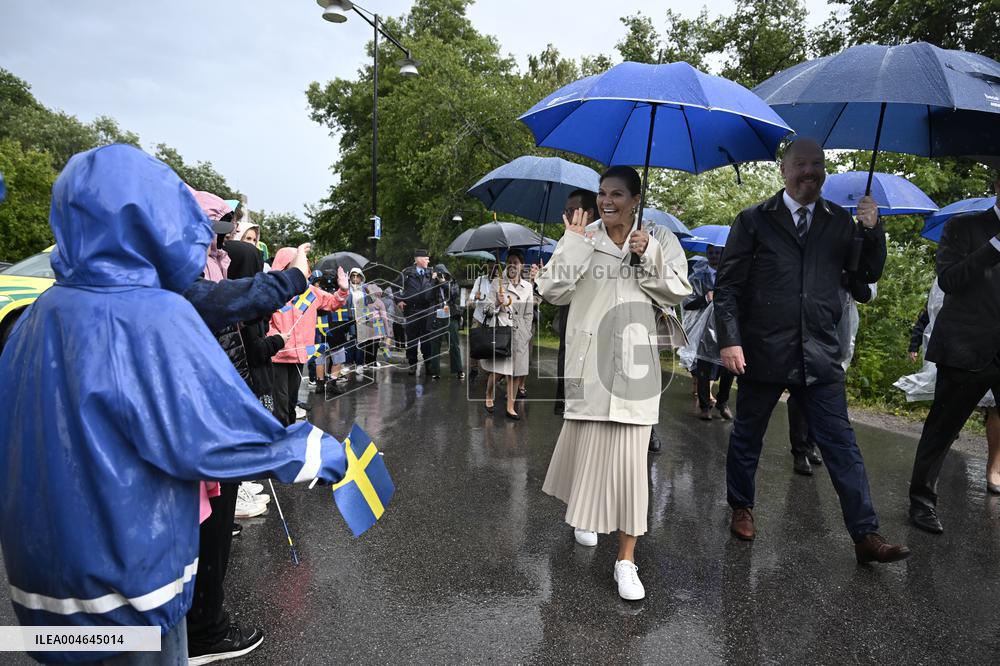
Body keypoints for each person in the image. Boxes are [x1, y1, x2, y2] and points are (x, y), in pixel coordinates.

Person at [0, 145, 348, 664]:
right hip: (129, 589)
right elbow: (215, 433)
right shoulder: (151, 315)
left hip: (40, 600)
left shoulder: (34, 317)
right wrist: (316, 453)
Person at [714, 137, 910, 564]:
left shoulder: (841, 223)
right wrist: (730, 340)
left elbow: (865, 277)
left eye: (817, 165)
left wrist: (873, 232)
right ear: (783, 171)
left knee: (842, 445)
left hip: (819, 352)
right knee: (748, 437)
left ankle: (865, 535)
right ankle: (742, 507)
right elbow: (727, 288)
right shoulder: (753, 221)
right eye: (800, 164)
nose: (809, 172)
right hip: (763, 351)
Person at [536, 165, 691, 601]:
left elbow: (679, 290)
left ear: (635, 200)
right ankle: (585, 515)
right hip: (588, 365)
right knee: (587, 455)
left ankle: (626, 560)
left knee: (630, 469)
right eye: (602, 193)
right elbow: (551, 290)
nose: (607, 201)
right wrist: (572, 243)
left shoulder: (659, 240)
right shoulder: (584, 240)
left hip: (635, 371)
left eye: (617, 194)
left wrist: (649, 257)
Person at [907, 171, 1000, 533]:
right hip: (966, 348)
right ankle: (922, 503)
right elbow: (949, 280)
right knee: (942, 430)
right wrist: (995, 247)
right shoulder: (964, 227)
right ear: (997, 184)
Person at [787, 275, 875, 476]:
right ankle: (799, 451)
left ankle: (810, 444)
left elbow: (866, 295)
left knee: (824, 390)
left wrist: (851, 274)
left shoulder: (860, 254)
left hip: (840, 329)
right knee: (802, 388)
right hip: (809, 322)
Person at [268, 248, 349, 426]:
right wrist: (275, 338)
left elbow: (332, 302)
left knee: (290, 402)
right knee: (279, 404)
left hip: (298, 354)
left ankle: (287, 437)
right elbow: (265, 320)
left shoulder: (310, 291)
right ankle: (279, 439)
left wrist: (342, 291)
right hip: (277, 354)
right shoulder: (273, 289)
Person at [680, 243, 734, 421]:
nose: (713, 255)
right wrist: (705, 298)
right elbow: (687, 302)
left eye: (717, 252)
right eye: (710, 252)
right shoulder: (697, 277)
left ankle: (723, 401)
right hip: (704, 330)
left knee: (729, 367)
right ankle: (705, 406)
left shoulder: (732, 274)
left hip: (726, 327)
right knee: (703, 367)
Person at [481, 250, 534, 419]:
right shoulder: (498, 284)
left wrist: (526, 333)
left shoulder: (527, 287)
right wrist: (497, 302)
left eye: (515, 262)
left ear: (521, 266)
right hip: (502, 331)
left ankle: (511, 406)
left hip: (520, 333)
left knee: (516, 372)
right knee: (499, 371)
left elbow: (529, 313)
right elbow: (486, 310)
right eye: (509, 262)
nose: (512, 265)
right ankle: (489, 394)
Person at [398, 249, 438, 377]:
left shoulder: (432, 273)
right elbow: (394, 286)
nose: (428, 261)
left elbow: (441, 289)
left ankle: (428, 364)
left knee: (427, 339)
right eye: (426, 259)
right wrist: (399, 300)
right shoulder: (407, 273)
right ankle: (412, 364)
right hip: (412, 310)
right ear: (419, 259)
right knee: (412, 339)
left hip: (427, 310)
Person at [346, 266, 388, 375]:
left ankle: (359, 364)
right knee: (350, 341)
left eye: (357, 276)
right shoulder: (346, 289)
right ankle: (349, 363)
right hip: (350, 319)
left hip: (362, 319)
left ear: (361, 277)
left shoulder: (364, 289)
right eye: (353, 276)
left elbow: (374, 300)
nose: (355, 278)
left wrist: (369, 291)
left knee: (361, 342)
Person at [468, 258, 498, 380]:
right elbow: (471, 297)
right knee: (475, 343)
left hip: (493, 319)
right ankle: (473, 368)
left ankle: (489, 371)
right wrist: (475, 296)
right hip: (479, 317)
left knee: (489, 345)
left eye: (494, 267)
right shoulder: (480, 280)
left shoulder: (501, 282)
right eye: (489, 267)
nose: (491, 270)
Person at [434, 263, 465, 379]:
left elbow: (454, 294)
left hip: (450, 315)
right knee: (435, 344)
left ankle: (458, 370)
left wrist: (444, 283)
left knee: (453, 343)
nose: (441, 276)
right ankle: (435, 371)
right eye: (438, 274)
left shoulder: (452, 282)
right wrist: (433, 282)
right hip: (436, 315)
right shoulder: (432, 284)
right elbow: (427, 296)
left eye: (443, 273)